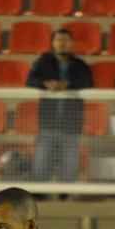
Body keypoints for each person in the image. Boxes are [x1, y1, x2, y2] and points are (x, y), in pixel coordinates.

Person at [27, 29, 93, 183]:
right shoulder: (42, 62)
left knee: (69, 167)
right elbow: (30, 80)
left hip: (71, 125)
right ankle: (40, 197)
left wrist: (67, 85)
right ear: (53, 43)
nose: (62, 43)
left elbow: (88, 82)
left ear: (71, 44)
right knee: (41, 165)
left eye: (65, 40)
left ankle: (65, 198)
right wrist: (46, 84)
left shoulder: (80, 65)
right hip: (47, 124)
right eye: (58, 40)